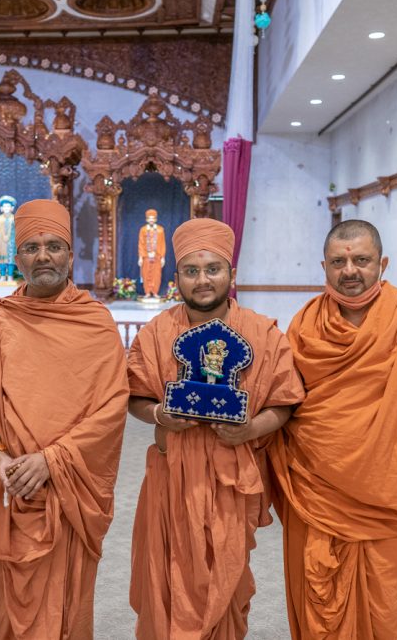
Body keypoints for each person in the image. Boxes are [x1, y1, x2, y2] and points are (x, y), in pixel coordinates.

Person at [269, 219, 397, 639]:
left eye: (361, 260)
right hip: (316, 496)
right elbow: (282, 405)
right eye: (338, 262)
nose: (350, 271)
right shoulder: (305, 327)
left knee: (387, 614)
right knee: (318, 606)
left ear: (382, 263)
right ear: (324, 267)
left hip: (390, 501)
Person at [0, 199, 128, 639]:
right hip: (7, 486)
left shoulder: (95, 323)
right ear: (16, 257)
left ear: (70, 255)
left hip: (69, 489)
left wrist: (51, 460)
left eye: (54, 246)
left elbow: (111, 409)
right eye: (32, 247)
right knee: (6, 607)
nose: (43, 256)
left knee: (66, 604)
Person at [127, 217, 305, 639]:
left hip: (233, 481)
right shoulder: (156, 334)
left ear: (231, 274)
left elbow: (285, 403)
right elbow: (134, 396)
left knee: (225, 583)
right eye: (191, 271)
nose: (203, 280)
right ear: (177, 278)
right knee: (167, 580)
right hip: (172, 477)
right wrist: (159, 417)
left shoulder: (263, 333)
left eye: (213, 269)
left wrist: (250, 429)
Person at [137, 209, 167, 299]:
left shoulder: (160, 230)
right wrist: (141, 257)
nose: (151, 220)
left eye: (153, 218)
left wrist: (162, 257)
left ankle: (155, 292)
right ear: (146, 219)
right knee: (146, 274)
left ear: (155, 219)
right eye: (149, 218)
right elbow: (140, 244)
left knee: (156, 275)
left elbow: (163, 244)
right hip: (146, 256)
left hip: (157, 256)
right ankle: (147, 292)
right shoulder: (143, 230)